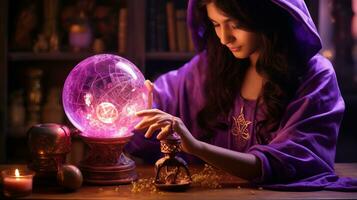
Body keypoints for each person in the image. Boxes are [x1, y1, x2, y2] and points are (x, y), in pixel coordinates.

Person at [126, 0, 357, 190]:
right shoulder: (209, 68)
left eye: (234, 24)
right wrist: (135, 110)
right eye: (216, 24)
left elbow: (288, 163)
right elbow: (158, 100)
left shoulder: (314, 75)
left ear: (265, 17)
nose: (225, 38)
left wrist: (196, 147)